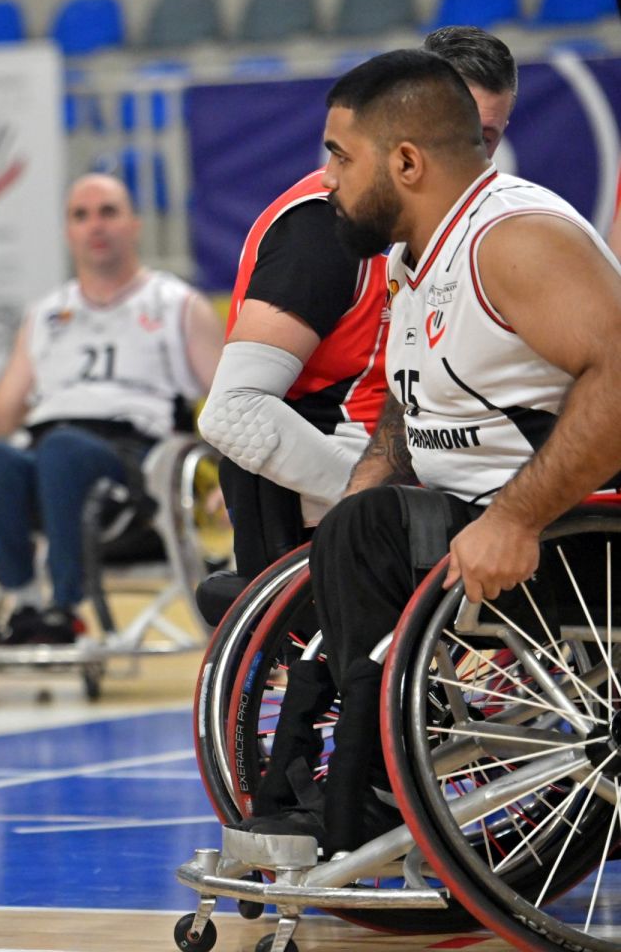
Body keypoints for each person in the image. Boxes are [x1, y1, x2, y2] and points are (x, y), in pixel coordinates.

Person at [246, 48, 621, 853]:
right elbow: (409, 405)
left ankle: (375, 782)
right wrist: (358, 495)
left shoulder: (513, 239)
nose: (327, 180)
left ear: (407, 163)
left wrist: (517, 520)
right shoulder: (412, 254)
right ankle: (329, 778)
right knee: (353, 526)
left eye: (340, 157)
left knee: (368, 534)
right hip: (472, 537)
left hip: (578, 550)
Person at [200, 29, 518, 590]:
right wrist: (367, 506)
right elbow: (233, 409)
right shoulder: (324, 227)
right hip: (355, 508)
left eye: (487, 140)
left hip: (439, 481)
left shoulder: (466, 223)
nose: (474, 159)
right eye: (458, 134)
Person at [0, 174, 223, 644]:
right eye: (81, 215)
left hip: (131, 464)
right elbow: (0, 410)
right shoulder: (45, 314)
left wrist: (234, 481)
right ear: (67, 231)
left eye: (108, 212)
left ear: (134, 224)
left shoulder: (178, 305)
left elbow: (227, 399)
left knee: (63, 449)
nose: (95, 225)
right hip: (46, 457)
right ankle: (25, 603)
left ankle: (65, 606)